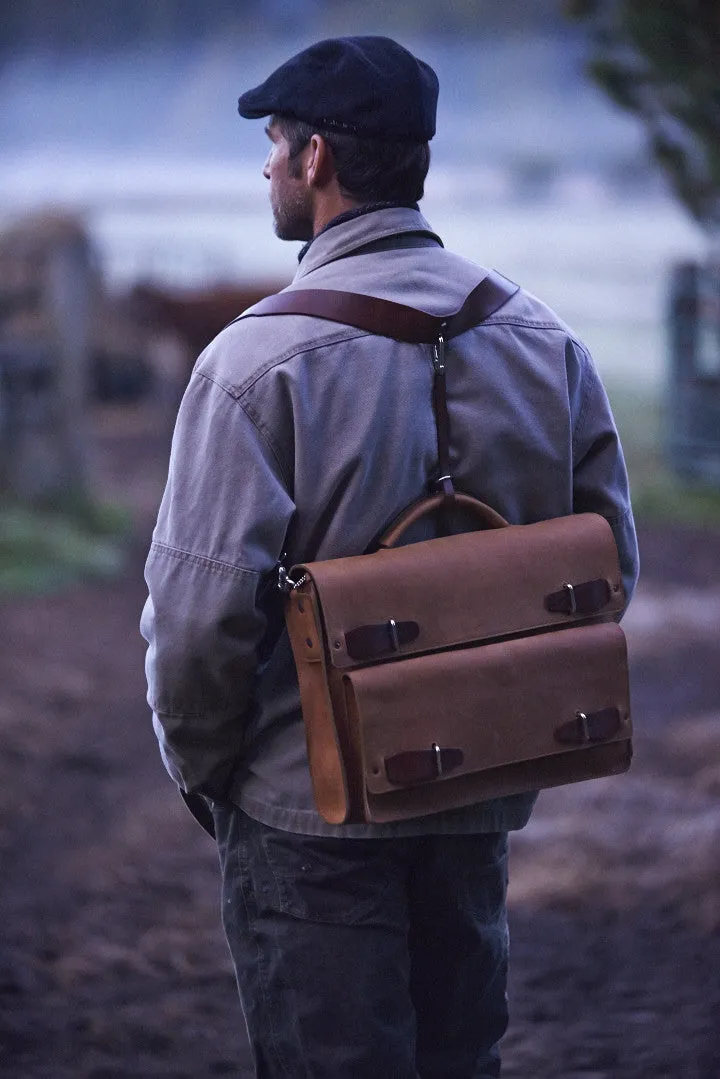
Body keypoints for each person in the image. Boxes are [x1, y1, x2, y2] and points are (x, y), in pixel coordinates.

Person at [141, 35, 639, 1079]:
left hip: (303, 815)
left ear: (316, 160)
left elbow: (198, 625)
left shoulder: (251, 365)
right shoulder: (547, 343)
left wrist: (214, 777)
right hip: (476, 792)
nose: (266, 167)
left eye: (274, 144)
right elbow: (608, 568)